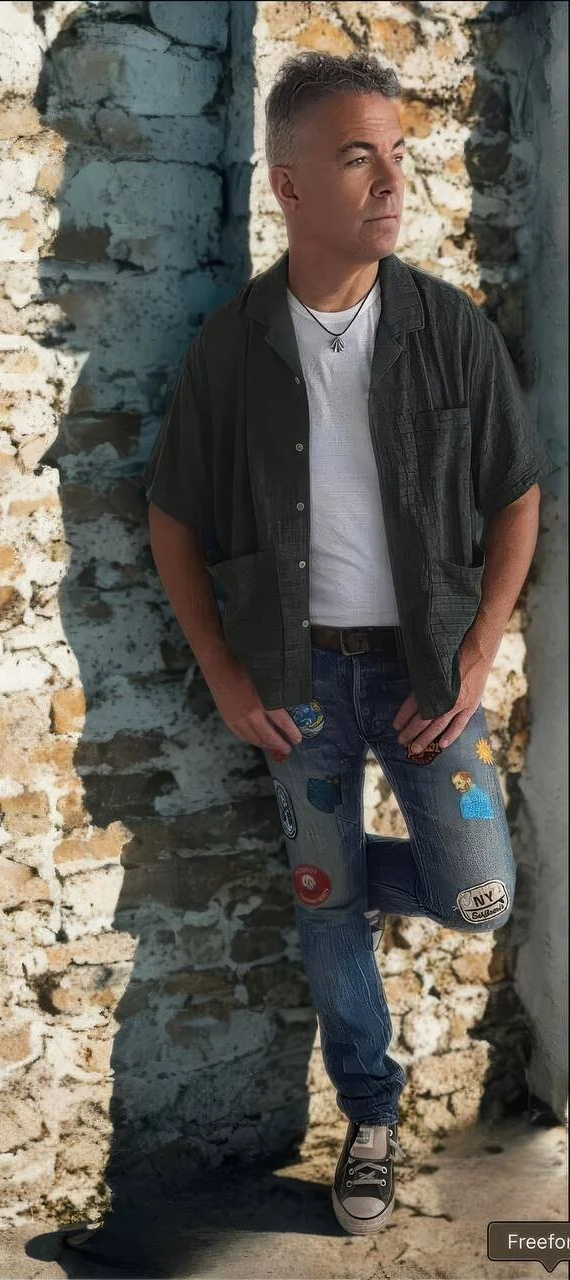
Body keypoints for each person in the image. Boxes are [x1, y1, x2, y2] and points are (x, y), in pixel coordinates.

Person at [143, 51, 557, 1236]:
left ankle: (324, 870)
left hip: (429, 672)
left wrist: (480, 648)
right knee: (329, 920)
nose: (391, 181)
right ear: (287, 185)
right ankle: (368, 1118)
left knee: (479, 894)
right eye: (357, 156)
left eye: (398, 155)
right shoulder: (234, 348)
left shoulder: (447, 327)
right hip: (300, 676)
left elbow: (516, 493)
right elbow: (172, 517)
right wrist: (227, 674)